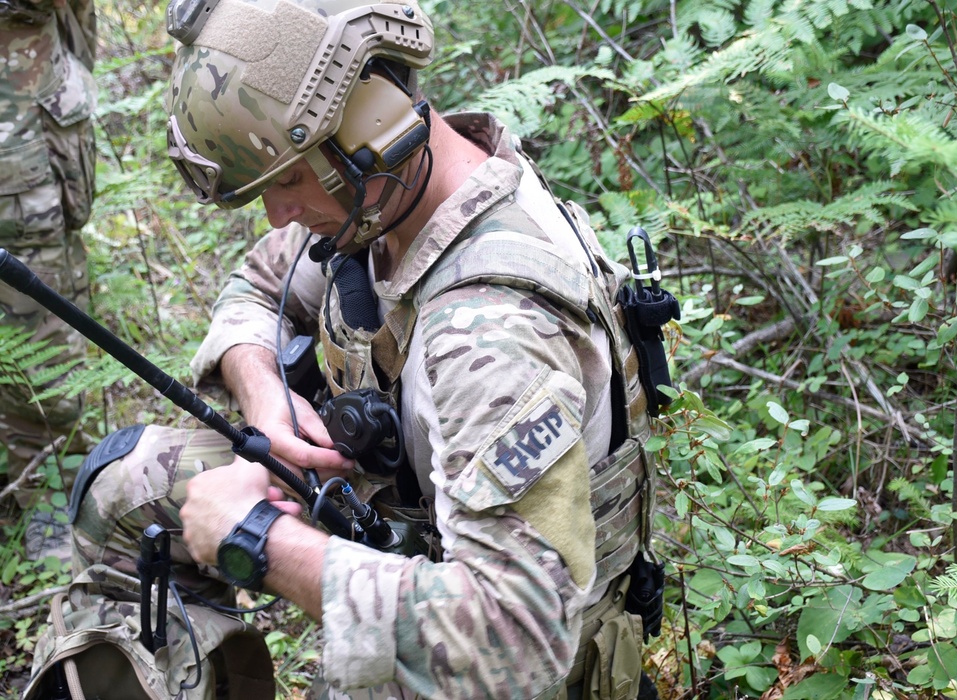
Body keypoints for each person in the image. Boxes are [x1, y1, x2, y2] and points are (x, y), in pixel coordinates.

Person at [70, 0, 662, 697]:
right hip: (406, 520)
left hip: (506, 651)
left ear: (374, 121)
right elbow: (258, 285)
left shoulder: (490, 327)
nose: (278, 215)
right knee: (122, 485)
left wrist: (259, 540)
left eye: (288, 178)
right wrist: (264, 393)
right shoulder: (392, 193)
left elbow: (517, 637)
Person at [0, 0, 97, 516]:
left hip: (27, 141)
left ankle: (52, 504)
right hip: (20, 154)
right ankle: (45, 506)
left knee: (41, 341)